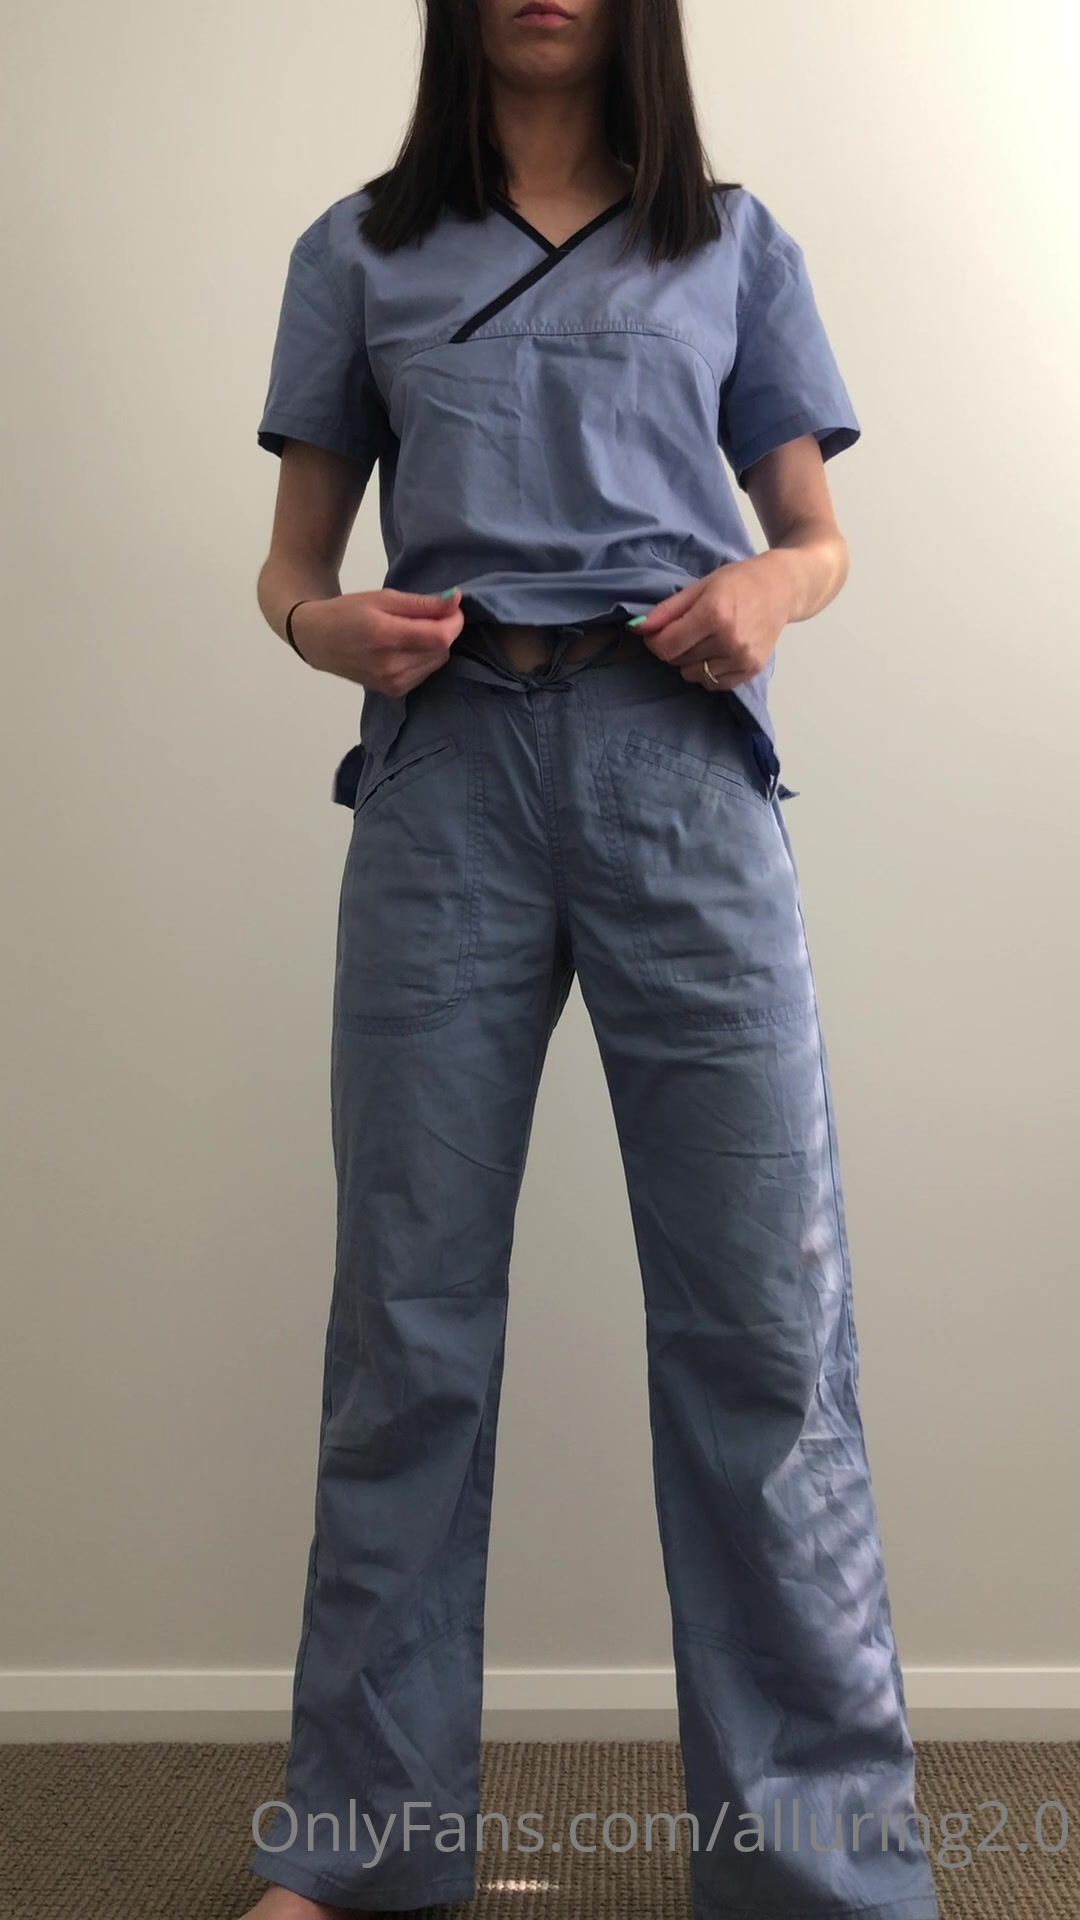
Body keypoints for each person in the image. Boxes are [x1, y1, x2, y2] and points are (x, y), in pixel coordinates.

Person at [245, 2, 940, 1916]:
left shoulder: (729, 238)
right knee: (406, 1325)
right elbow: (289, 566)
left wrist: (770, 584)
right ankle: (363, 1848)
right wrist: (324, 628)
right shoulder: (359, 249)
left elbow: (817, 534)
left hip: (680, 768)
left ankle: (819, 1876)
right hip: (447, 777)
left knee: (765, 1329)